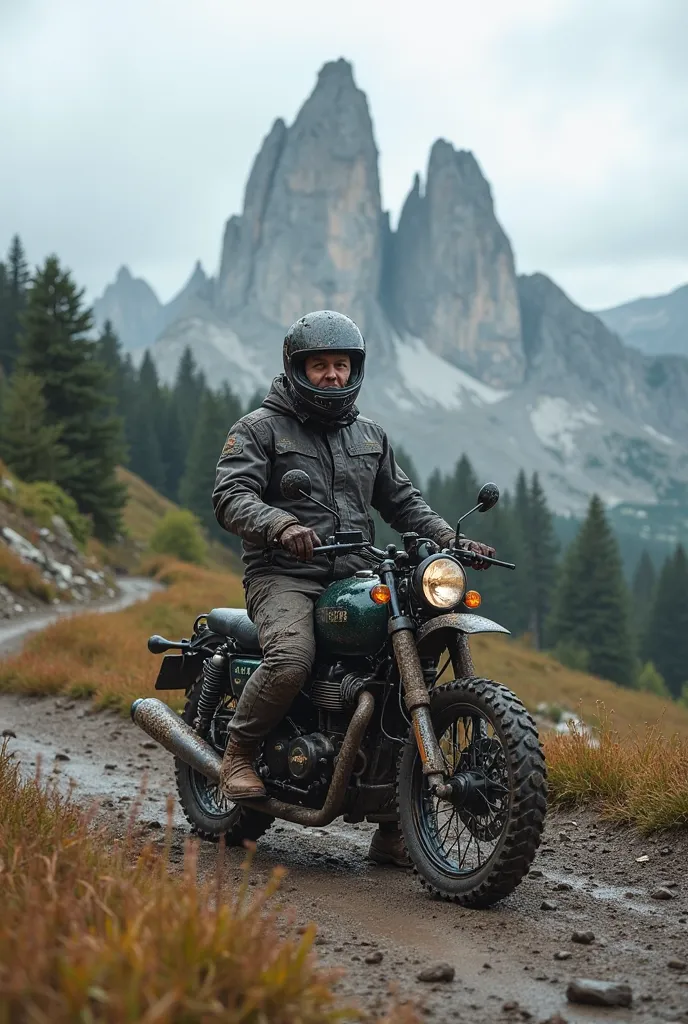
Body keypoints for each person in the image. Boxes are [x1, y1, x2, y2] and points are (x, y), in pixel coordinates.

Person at [212, 309, 494, 866]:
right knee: (292, 658)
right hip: (284, 574)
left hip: (357, 573)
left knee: (398, 669)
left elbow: (403, 502)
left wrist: (450, 539)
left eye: (341, 365)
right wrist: (281, 526)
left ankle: (395, 824)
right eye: (321, 366)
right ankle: (238, 752)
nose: (333, 376)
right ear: (297, 369)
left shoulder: (369, 435)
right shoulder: (258, 429)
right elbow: (231, 496)